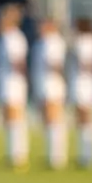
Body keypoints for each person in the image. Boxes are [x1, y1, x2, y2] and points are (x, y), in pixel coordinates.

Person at [0, 5, 30, 168]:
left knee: (15, 117)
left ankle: (18, 154)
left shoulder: (15, 37)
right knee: (8, 118)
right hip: (6, 81)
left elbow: (19, 62)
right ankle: (12, 152)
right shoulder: (4, 38)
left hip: (13, 82)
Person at [32, 17, 69, 170]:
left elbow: (57, 65)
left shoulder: (55, 42)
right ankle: (51, 153)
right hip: (43, 84)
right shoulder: (41, 43)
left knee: (54, 119)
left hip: (53, 85)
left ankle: (57, 156)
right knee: (47, 120)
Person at [69, 17, 92, 168]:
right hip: (82, 81)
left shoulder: (86, 40)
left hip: (85, 82)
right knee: (81, 118)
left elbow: (87, 63)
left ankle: (89, 153)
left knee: (85, 117)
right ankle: (85, 153)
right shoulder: (87, 40)